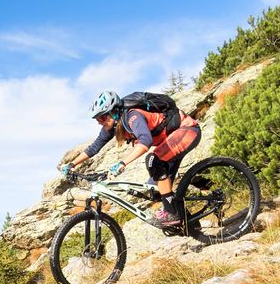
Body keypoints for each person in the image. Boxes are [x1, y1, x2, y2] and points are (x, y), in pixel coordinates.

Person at [61, 90, 201, 226]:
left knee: (154, 161)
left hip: (187, 130)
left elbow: (145, 141)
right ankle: (190, 223)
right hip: (169, 141)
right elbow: (94, 147)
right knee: (154, 189)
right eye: (97, 119)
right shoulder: (113, 125)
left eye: (102, 117)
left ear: (114, 112)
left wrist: (122, 163)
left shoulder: (133, 116)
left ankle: (172, 214)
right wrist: (72, 164)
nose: (99, 121)